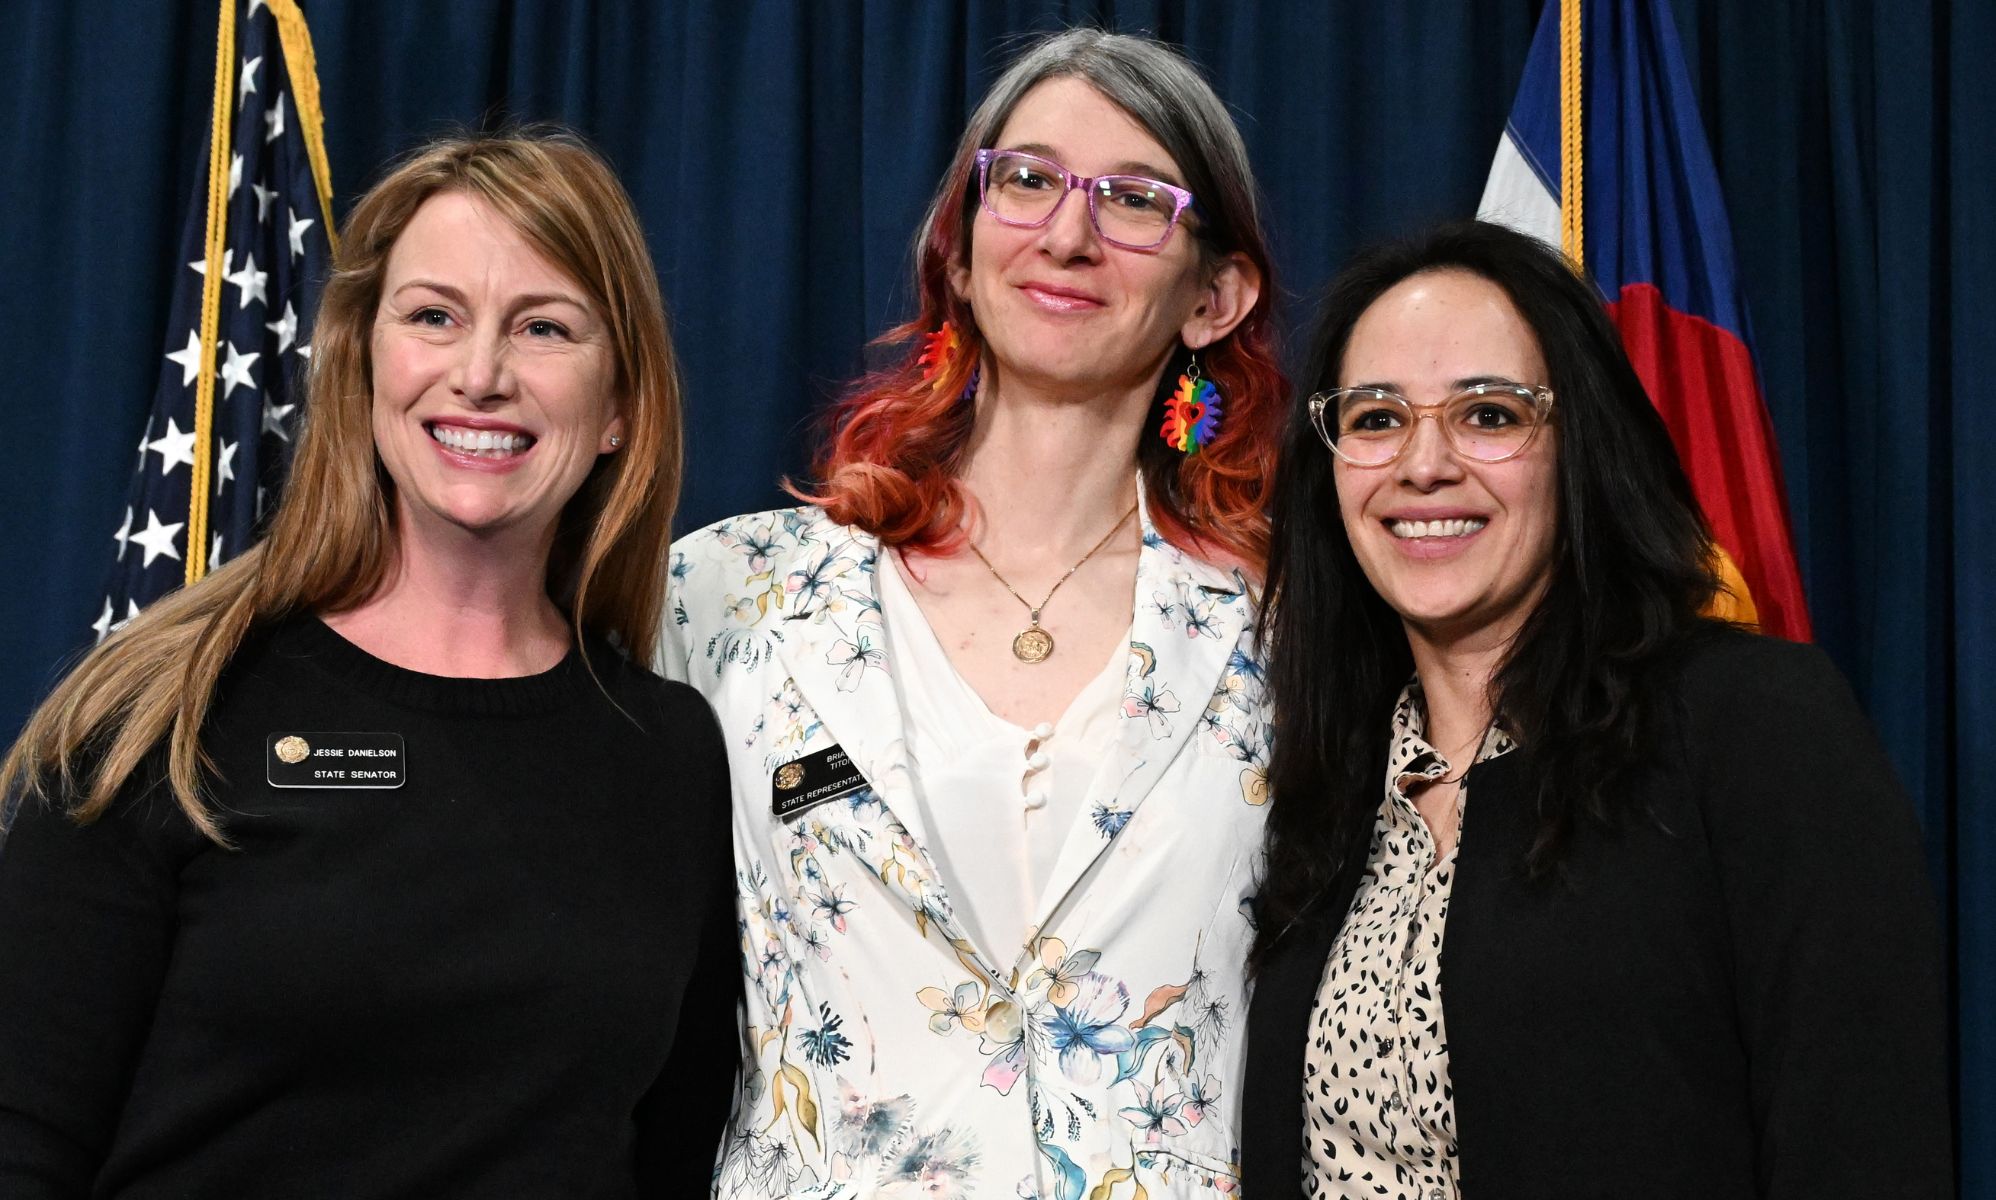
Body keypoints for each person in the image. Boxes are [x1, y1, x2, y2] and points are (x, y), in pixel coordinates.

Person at [0, 130, 735, 1197]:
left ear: (619, 406)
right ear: (363, 359)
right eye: (433, 316)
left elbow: (673, 1162)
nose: (479, 375)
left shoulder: (670, 755)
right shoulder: (168, 707)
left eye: (543, 327)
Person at [662, 29, 1283, 1199]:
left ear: (1215, 295)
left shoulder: (1287, 633)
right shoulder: (725, 596)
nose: (1067, 233)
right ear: (955, 247)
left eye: (1136, 200)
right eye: (1030, 180)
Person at [1241, 219, 1952, 1198]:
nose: (1423, 463)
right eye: (1375, 418)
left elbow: (1866, 1151)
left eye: (1489, 415)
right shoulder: (1330, 784)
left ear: (1582, 443)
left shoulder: (1757, 727)